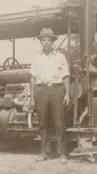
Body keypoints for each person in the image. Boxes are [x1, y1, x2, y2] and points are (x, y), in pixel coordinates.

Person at [30, 28, 70, 163]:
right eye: (44, 40)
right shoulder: (36, 58)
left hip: (57, 90)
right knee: (43, 123)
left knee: (60, 123)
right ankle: (45, 152)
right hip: (41, 91)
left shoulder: (60, 57)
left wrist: (67, 94)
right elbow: (32, 79)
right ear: (40, 41)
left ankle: (62, 153)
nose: (46, 42)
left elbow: (65, 76)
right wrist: (32, 97)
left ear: (52, 41)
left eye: (49, 40)